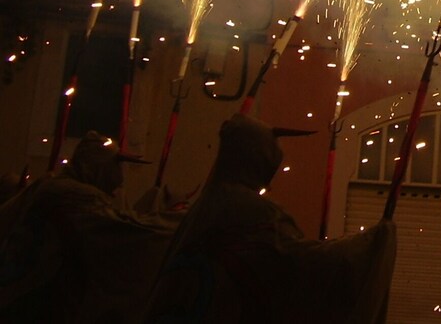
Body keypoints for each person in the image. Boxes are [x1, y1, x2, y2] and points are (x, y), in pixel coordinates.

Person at [143, 114, 396, 323]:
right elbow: (297, 268)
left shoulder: (208, 204)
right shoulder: (254, 213)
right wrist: (371, 245)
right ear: (255, 156)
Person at [0, 131, 173, 323]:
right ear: (99, 167)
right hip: (31, 303)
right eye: (115, 166)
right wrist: (177, 222)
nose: (120, 178)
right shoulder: (73, 196)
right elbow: (123, 232)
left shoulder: (55, 187)